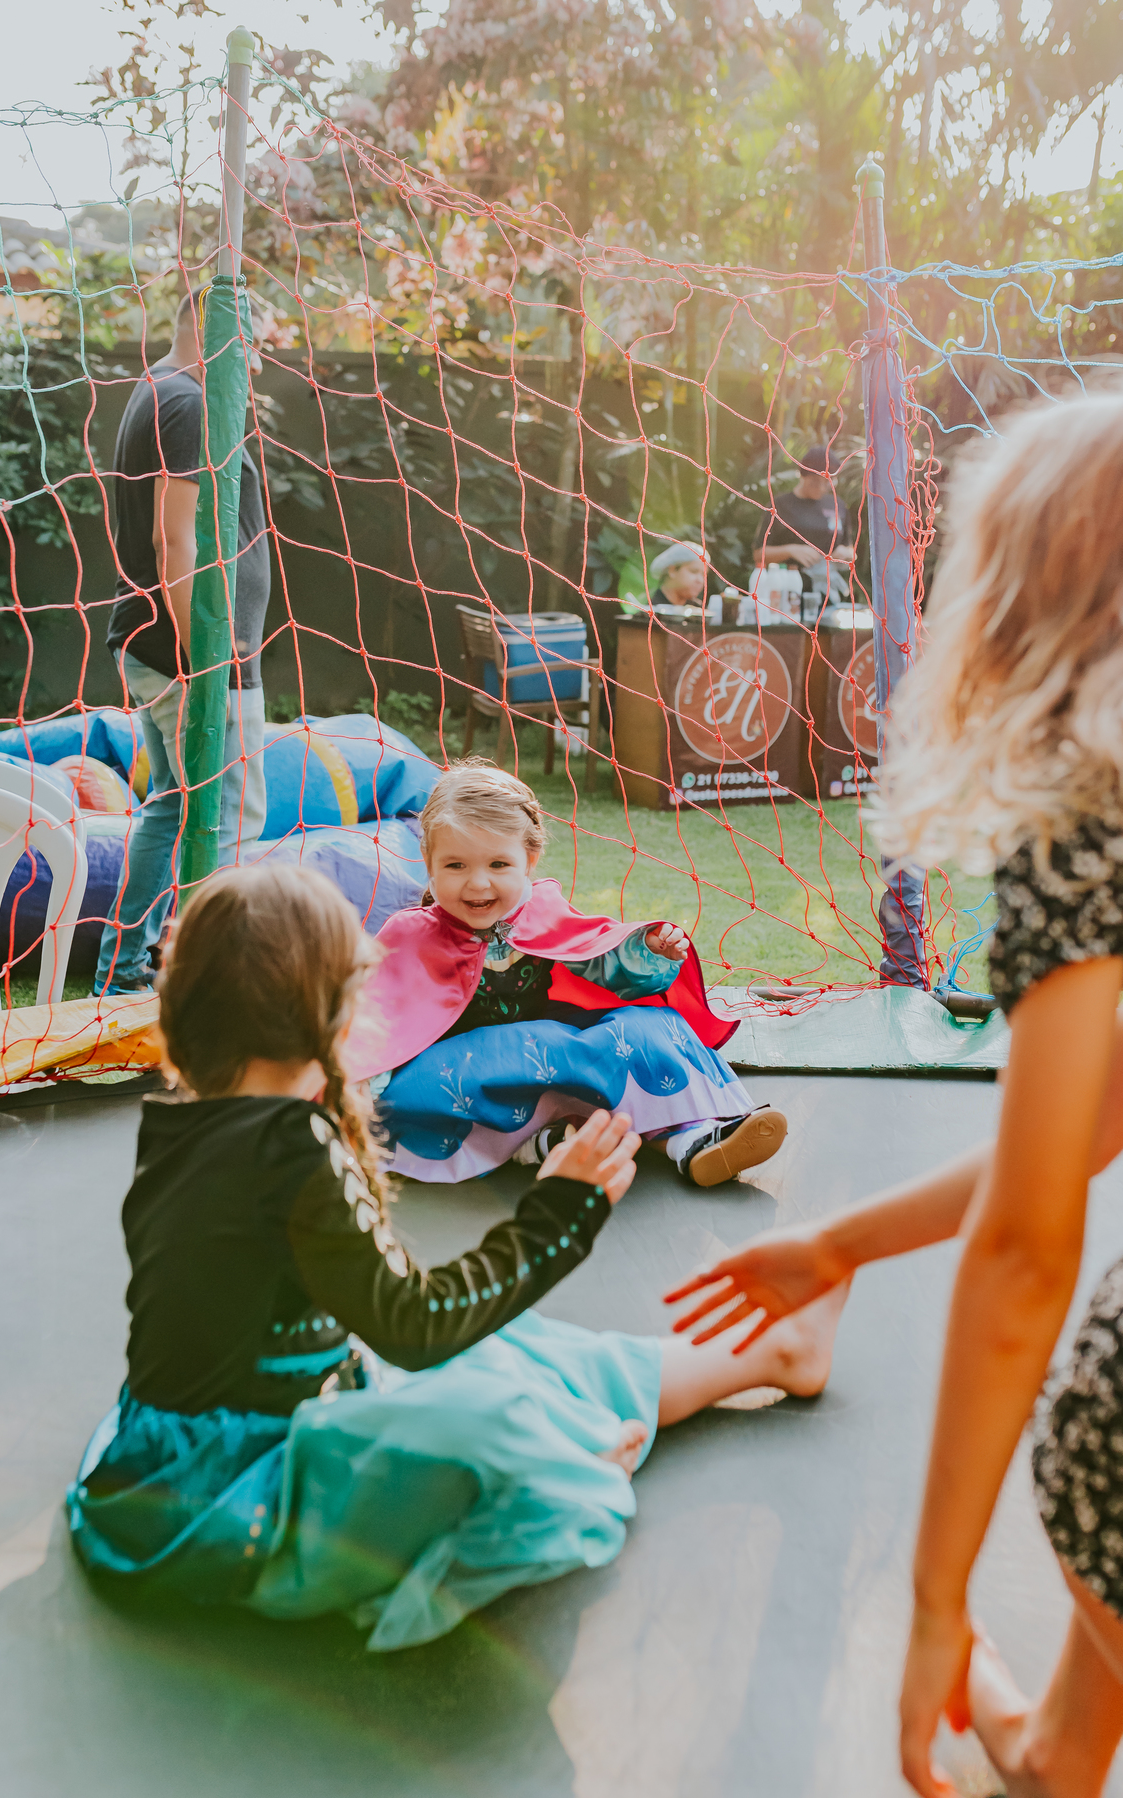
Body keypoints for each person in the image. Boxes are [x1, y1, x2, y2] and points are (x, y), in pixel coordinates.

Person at [667, 395, 1123, 1796]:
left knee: (1104, 1404)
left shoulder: (1093, 826)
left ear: (1017, 605)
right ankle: (1056, 1749)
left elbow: (1035, 1240)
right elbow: (1087, 1136)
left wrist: (932, 1601)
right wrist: (836, 1245)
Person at [66, 863, 847, 1652]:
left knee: (511, 1350)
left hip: (182, 1447)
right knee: (490, 1411)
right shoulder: (286, 1147)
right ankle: (571, 1463)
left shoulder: (182, 1121)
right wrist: (560, 1211)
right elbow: (416, 1326)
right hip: (240, 1494)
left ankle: (774, 1352)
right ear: (333, 1013)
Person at [345, 760, 789, 1186]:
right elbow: (376, 1019)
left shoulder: (541, 910)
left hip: (563, 1059)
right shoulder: (411, 933)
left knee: (652, 1028)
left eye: (498, 865)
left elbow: (604, 967)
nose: (477, 884)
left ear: (531, 858)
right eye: (455, 865)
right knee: (396, 1097)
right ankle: (534, 1145)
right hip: (473, 1074)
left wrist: (649, 953)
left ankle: (693, 1141)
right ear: (428, 861)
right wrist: (359, 1085)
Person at [93, 284, 274, 996]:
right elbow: (174, 540)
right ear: (214, 329)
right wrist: (209, 656)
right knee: (233, 817)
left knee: (172, 802)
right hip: (193, 656)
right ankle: (206, 986)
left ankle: (123, 964)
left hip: (155, 645)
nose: (256, 365)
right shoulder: (191, 402)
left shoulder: (157, 390)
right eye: (252, 343)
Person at [751, 443, 856, 623]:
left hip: (828, 597)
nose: (821, 487)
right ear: (802, 475)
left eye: (827, 482)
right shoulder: (780, 505)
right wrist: (792, 550)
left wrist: (843, 554)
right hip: (786, 596)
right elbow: (758, 554)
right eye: (815, 481)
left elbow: (851, 551)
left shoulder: (837, 505)